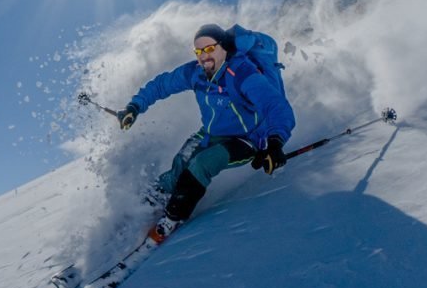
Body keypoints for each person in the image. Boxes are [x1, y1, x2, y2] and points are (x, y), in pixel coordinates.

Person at [117, 23, 296, 243]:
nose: (204, 56)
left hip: (247, 138)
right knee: (182, 161)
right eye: (199, 51)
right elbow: (162, 84)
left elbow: (276, 106)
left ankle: (171, 219)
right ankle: (153, 202)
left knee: (202, 163)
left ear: (224, 47)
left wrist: (275, 143)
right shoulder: (195, 73)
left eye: (210, 48)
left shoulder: (242, 73)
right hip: (212, 133)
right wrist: (135, 106)